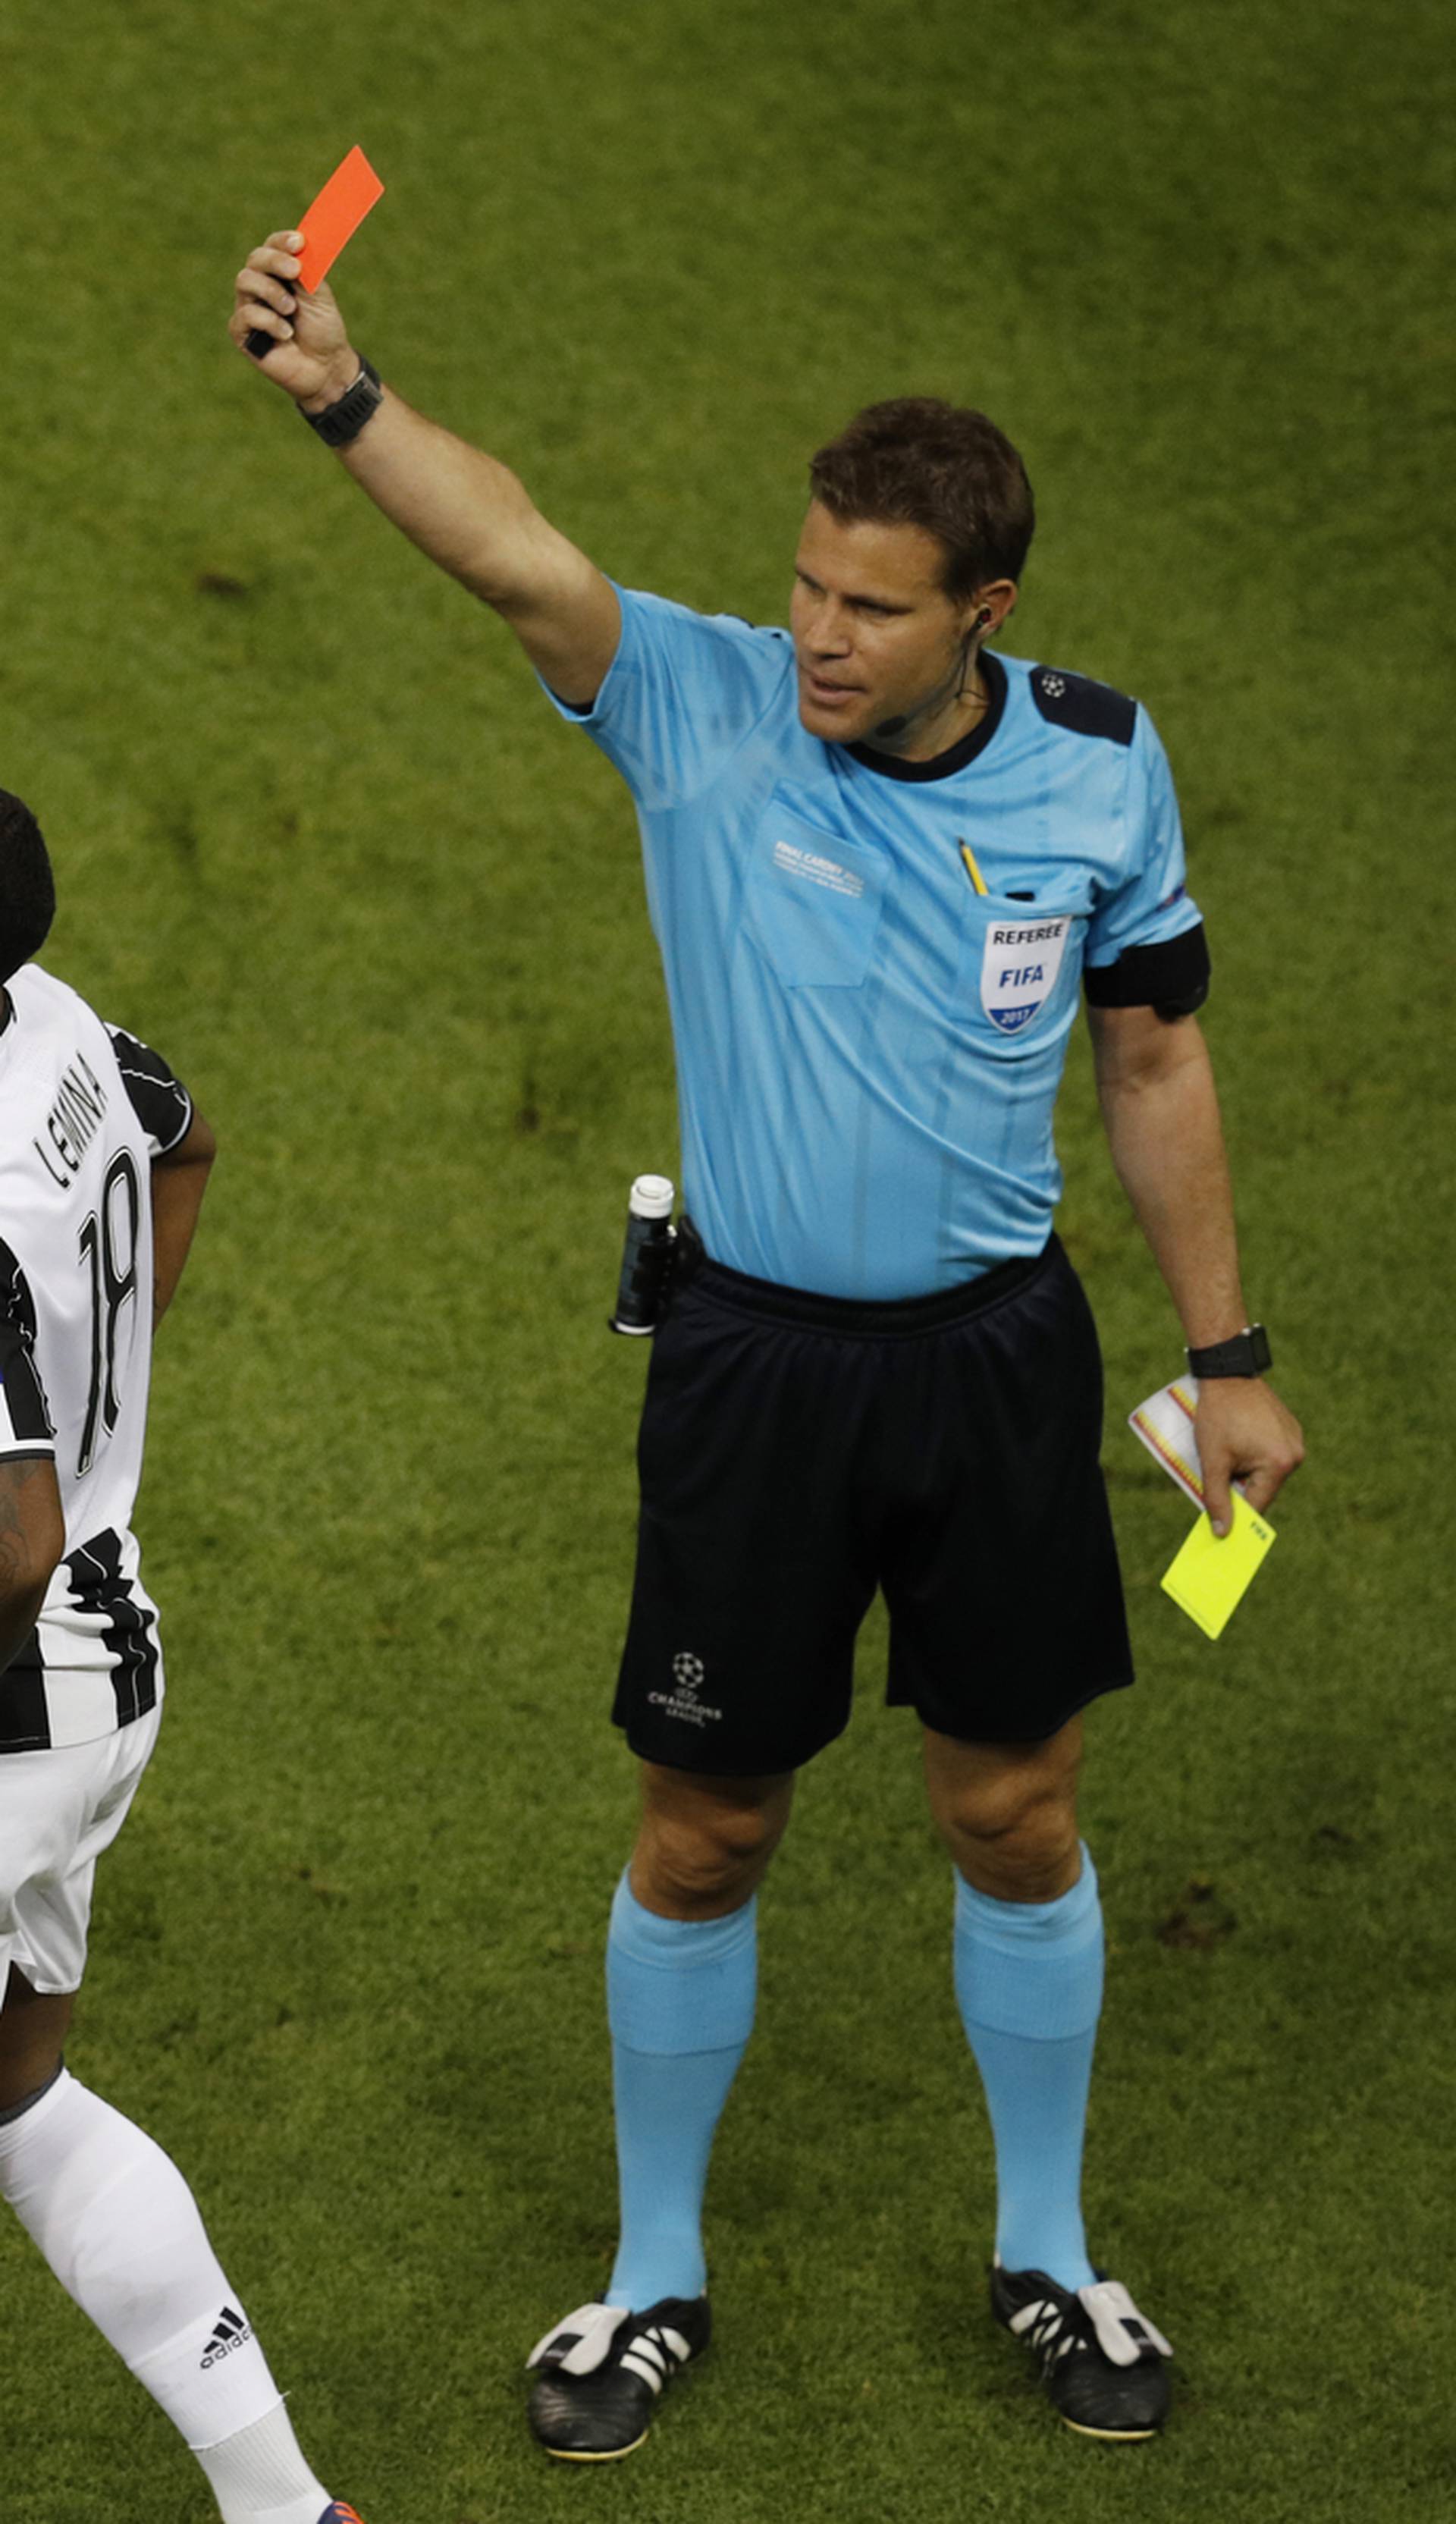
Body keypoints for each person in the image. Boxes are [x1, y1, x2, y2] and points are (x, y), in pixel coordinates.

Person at [229, 234, 1304, 2456]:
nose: (819, 632)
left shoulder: (1103, 776)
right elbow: (514, 550)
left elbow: (1160, 1066)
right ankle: (649, 2277)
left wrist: (1233, 1349)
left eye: (873, 604)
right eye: (809, 583)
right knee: (705, 1830)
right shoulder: (701, 704)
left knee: (1016, 1814)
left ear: (979, 616)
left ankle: (1045, 2251)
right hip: (751, 1371)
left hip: (994, 1364)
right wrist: (342, 392)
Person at [0, 790, 367, 2524]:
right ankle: (290, 2509)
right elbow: (188, 1134)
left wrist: (58, 1449)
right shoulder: (59, 1026)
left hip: (13, 1691)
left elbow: (1, 1539)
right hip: (101, 1669)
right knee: (22, 2096)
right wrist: (104, 1416)